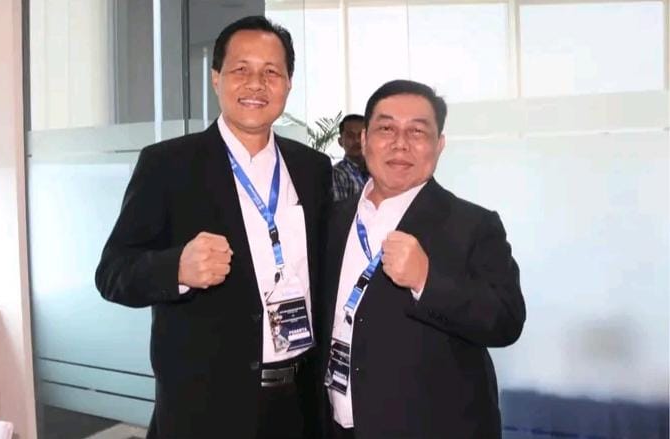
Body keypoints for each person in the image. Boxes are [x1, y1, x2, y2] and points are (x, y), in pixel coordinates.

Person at [95, 15, 331, 439]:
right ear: (216, 78)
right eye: (241, 69)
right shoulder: (168, 165)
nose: (256, 84)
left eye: (271, 72)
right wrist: (176, 269)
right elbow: (112, 273)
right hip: (207, 409)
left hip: (300, 403)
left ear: (288, 84)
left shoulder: (312, 168)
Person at [320, 80, 525, 439]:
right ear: (364, 140)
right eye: (386, 129)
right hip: (338, 426)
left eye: (417, 131)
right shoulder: (332, 220)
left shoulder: (473, 225)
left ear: (439, 144)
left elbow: (506, 321)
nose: (400, 143)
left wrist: (427, 280)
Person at [332, 114, 368, 202]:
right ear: (340, 141)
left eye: (361, 135)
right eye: (350, 136)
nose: (357, 140)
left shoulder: (378, 171)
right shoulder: (337, 173)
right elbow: (340, 209)